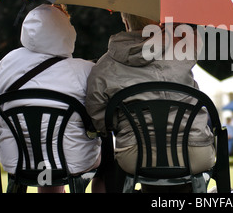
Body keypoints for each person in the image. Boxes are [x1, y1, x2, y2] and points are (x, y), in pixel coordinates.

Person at [0, 4, 102, 193]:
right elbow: (101, 119)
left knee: (46, 161)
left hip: (18, 161)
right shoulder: (85, 70)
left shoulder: (5, 64)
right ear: (67, 32)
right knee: (108, 159)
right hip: (73, 161)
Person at [85, 13, 215, 192]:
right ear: (159, 21)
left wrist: (119, 123)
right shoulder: (183, 47)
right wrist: (174, 27)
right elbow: (195, 37)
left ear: (124, 20)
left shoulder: (105, 66)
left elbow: (99, 119)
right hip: (193, 151)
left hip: (136, 155)